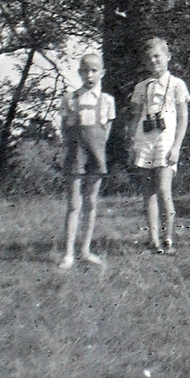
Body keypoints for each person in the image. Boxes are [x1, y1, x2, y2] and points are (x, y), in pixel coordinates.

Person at [129, 36, 190, 254]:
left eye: (157, 56)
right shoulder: (141, 87)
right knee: (149, 193)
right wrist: (133, 144)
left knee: (164, 190)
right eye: (149, 58)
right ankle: (153, 240)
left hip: (166, 140)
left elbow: (183, 119)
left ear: (167, 57)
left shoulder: (177, 85)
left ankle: (168, 238)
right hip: (145, 139)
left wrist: (176, 147)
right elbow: (135, 117)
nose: (154, 61)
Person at [58, 50, 115, 269]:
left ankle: (85, 250)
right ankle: (69, 253)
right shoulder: (70, 98)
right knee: (74, 204)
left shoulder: (107, 101)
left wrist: (96, 150)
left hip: (95, 156)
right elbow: (65, 128)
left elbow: (105, 132)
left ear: (102, 72)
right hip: (76, 156)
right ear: (79, 72)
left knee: (91, 202)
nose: (89, 75)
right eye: (85, 70)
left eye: (94, 70)